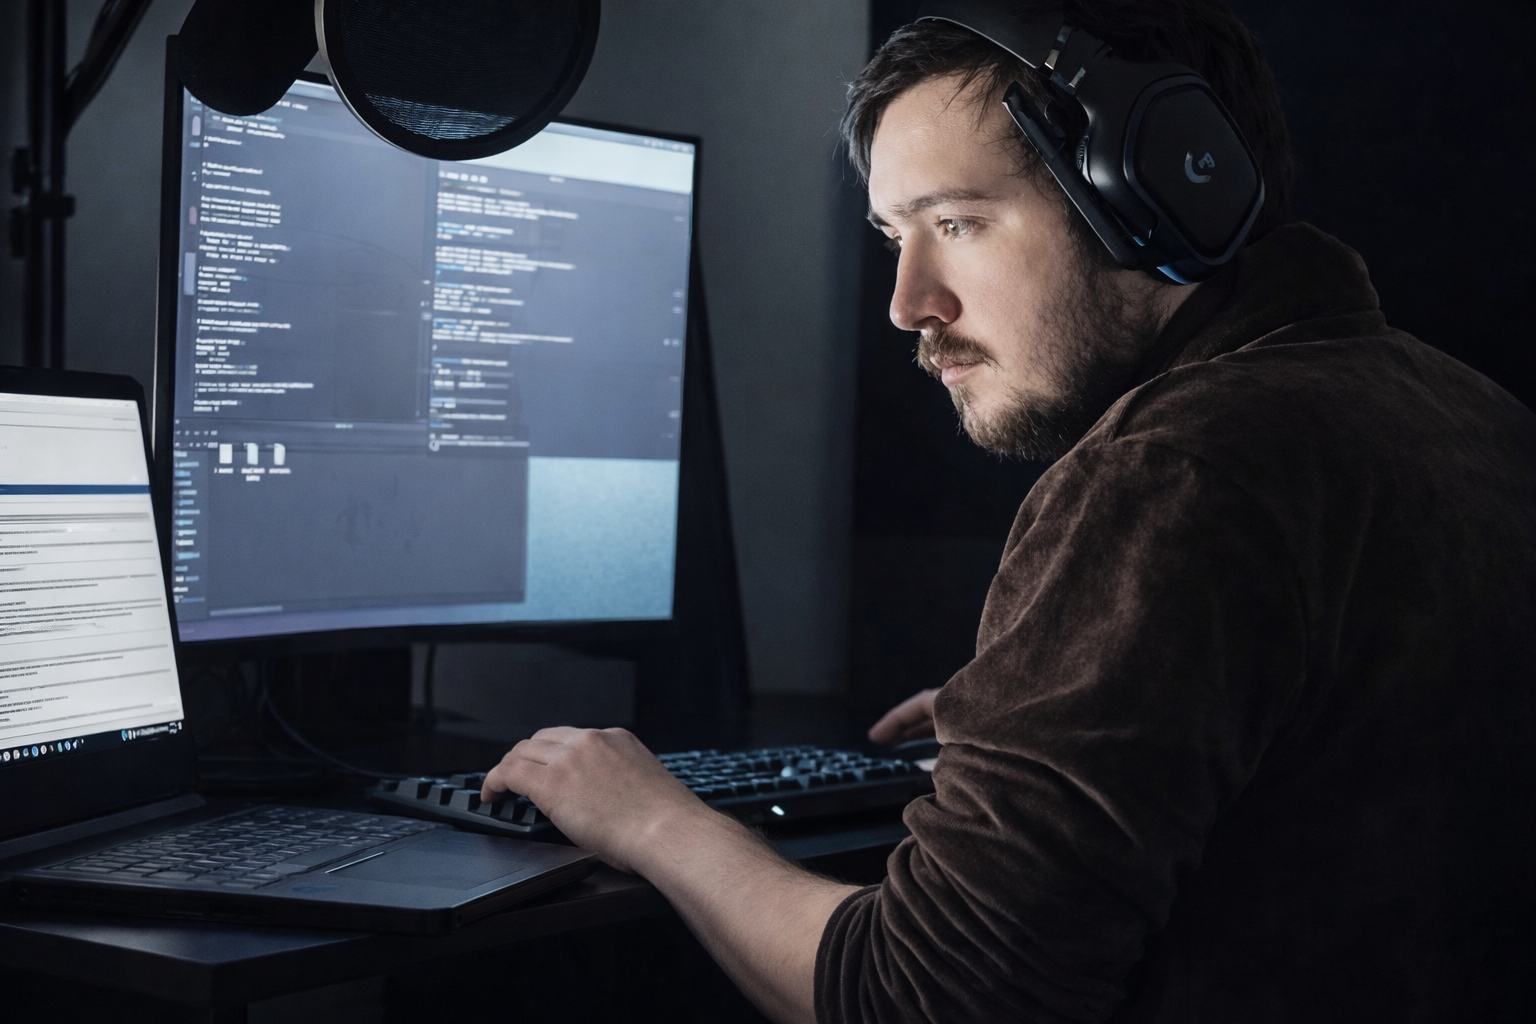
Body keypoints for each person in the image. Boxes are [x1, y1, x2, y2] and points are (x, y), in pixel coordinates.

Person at [482, 3, 1536, 1021]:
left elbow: (923, 997)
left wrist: (653, 819)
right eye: (895, 233)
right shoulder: (1472, 413)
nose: (908, 303)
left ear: (1159, 188)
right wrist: (1070, 698)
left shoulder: (1175, 472)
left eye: (957, 222)